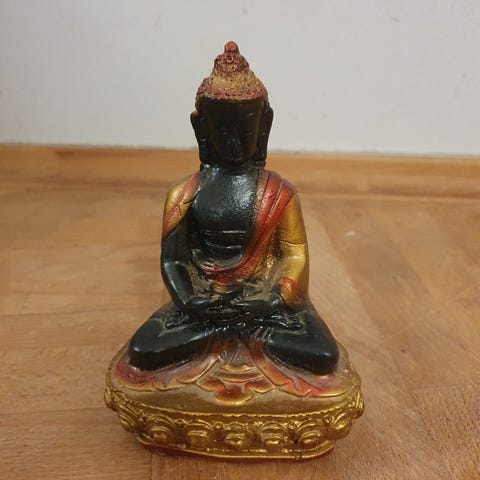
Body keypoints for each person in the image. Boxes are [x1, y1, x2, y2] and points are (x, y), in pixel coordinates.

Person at [129, 42, 338, 375]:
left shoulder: (279, 193)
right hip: (204, 306)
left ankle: (221, 336)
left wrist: (271, 300)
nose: (234, 141)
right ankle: (229, 334)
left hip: (264, 307)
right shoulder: (184, 194)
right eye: (223, 131)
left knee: (321, 353)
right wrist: (189, 300)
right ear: (201, 129)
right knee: (145, 349)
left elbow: (294, 257)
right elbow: (173, 260)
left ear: (264, 126)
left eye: (245, 130)